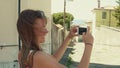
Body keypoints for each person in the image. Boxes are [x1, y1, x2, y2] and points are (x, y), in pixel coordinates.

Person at [17, 9, 94, 68]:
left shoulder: (23, 53)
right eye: (43, 27)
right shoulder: (38, 56)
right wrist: (89, 44)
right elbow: (49, 61)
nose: (46, 31)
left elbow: (52, 60)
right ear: (30, 31)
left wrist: (69, 37)